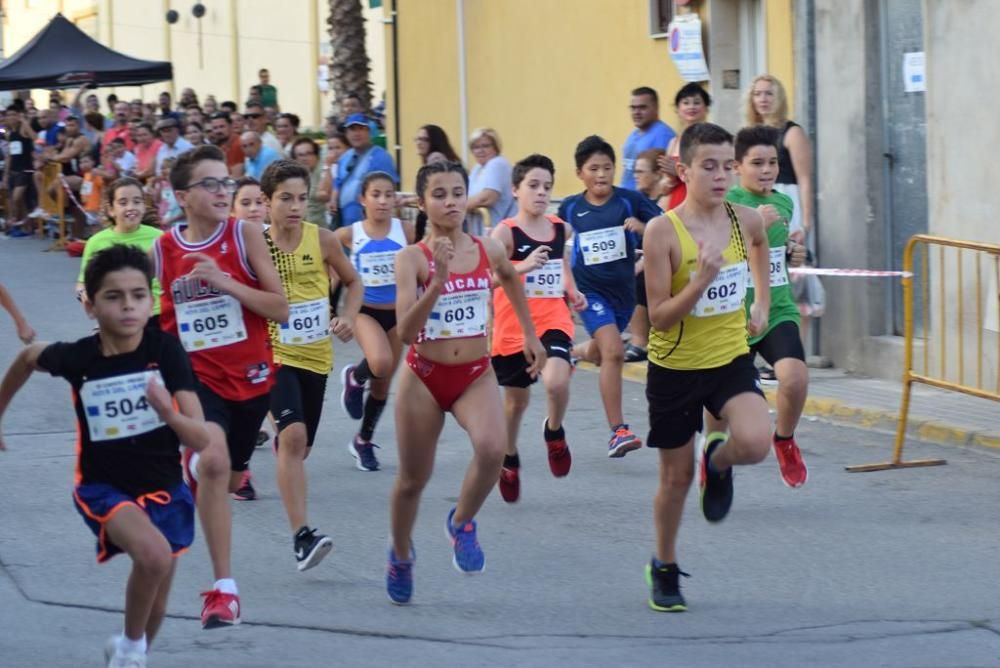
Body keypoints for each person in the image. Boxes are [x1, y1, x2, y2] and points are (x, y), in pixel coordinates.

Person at [0, 244, 210, 667]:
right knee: (152, 556)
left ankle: (132, 650)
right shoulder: (80, 357)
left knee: (157, 596)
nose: (128, 307)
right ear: (91, 306)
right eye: (114, 297)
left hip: (166, 489)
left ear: (151, 301)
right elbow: (26, 357)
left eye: (138, 295)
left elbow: (201, 437)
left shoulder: (165, 351)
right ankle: (132, 653)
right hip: (103, 488)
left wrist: (167, 412)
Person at [386, 160, 545, 605]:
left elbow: (511, 277)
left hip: (475, 373)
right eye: (440, 194)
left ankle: (462, 521)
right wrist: (436, 283)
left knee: (494, 449)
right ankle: (400, 554)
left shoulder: (487, 248)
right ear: (423, 203)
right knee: (412, 481)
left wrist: (530, 334)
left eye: (458, 191)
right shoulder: (410, 259)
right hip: (423, 376)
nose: (451, 201)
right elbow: (403, 332)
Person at [153, 144, 289, 629]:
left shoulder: (245, 234)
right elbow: (149, 309)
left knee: (228, 476)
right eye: (210, 184)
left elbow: (280, 308)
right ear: (183, 196)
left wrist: (226, 282)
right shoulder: (163, 248)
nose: (221, 191)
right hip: (193, 378)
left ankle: (202, 467)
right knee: (213, 461)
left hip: (251, 381)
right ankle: (223, 591)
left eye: (225, 183)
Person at [641, 122, 772, 612]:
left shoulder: (743, 220)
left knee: (757, 442)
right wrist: (699, 283)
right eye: (709, 166)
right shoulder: (663, 231)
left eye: (727, 166)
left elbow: (761, 244)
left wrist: (761, 299)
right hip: (674, 367)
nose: (721, 176)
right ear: (684, 169)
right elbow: (657, 315)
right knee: (673, 481)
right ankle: (664, 565)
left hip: (730, 358)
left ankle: (716, 464)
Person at [261, 159, 361, 569]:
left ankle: (279, 437)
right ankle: (303, 536)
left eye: (302, 198)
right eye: (285, 198)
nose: (295, 206)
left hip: (316, 356)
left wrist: (349, 317)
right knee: (295, 437)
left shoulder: (322, 240)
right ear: (267, 202)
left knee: (299, 449)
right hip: (272, 355)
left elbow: (353, 282)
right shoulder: (255, 243)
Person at [702, 125, 810, 487]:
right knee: (719, 409)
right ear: (737, 167)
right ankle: (713, 459)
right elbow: (714, 250)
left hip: (776, 308)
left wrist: (795, 253)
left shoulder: (783, 202)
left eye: (773, 163)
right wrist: (751, 226)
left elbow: (778, 255)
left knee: (794, 378)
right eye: (758, 163)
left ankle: (785, 439)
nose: (767, 170)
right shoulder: (725, 203)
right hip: (731, 316)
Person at [490, 154, 587, 503]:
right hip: (513, 326)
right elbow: (486, 280)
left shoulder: (560, 228)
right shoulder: (505, 234)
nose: (541, 192)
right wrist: (522, 266)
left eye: (547, 186)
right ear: (515, 190)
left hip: (553, 320)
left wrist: (571, 289)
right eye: (533, 185)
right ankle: (509, 456)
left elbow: (560, 266)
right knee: (515, 404)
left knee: (556, 380)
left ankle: (554, 431)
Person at [559, 135, 659, 457]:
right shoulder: (571, 207)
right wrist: (568, 286)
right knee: (614, 351)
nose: (602, 175)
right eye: (594, 169)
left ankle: (574, 353)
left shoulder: (629, 200)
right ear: (580, 173)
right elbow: (554, 248)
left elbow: (666, 226)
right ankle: (618, 431)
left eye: (607, 168)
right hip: (589, 293)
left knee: (604, 353)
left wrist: (642, 228)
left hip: (624, 295)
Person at [335, 171, 415, 471]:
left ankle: (363, 441)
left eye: (389, 195)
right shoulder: (349, 234)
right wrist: (333, 309)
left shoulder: (405, 230)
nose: (383, 201)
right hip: (365, 311)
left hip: (398, 314)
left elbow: (428, 253)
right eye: (376, 195)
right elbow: (326, 257)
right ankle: (355, 377)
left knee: (382, 387)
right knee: (379, 362)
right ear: (362, 199)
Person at [746, 74, 817, 346]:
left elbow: (805, 179)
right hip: (759, 206)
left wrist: (806, 224)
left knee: (797, 283)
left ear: (779, 98)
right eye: (757, 94)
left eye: (768, 93)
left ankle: (796, 350)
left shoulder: (792, 132)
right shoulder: (751, 133)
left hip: (789, 205)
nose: (762, 99)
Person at [76, 177, 164, 319]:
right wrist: (84, 295)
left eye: (137, 202)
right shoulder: (96, 242)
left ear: (143, 206)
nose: (131, 207)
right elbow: (83, 283)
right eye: (123, 203)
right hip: (115, 315)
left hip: (156, 313)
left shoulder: (160, 238)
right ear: (111, 210)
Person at [624, 147, 667, 364]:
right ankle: (634, 335)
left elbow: (668, 234)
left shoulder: (665, 199)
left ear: (658, 173)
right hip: (645, 257)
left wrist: (643, 229)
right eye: (635, 171)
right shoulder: (637, 200)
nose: (636, 176)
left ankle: (639, 342)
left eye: (641, 172)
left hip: (665, 258)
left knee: (638, 277)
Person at [334, 114, 399, 226]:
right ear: (346, 134)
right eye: (352, 129)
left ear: (370, 131)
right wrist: (333, 199)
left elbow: (389, 189)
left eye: (361, 129)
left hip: (369, 221)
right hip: (344, 220)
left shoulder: (381, 157)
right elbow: (337, 182)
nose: (356, 133)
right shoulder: (344, 157)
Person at [659, 83, 712, 211]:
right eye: (686, 103)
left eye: (697, 102)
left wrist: (678, 173)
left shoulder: (711, 139)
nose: (691, 107)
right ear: (677, 109)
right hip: (675, 207)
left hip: (700, 207)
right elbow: (664, 188)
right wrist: (669, 180)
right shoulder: (674, 142)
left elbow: (710, 176)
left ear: (706, 108)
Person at [620, 86, 675, 191]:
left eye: (642, 107)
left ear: (656, 108)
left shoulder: (663, 136)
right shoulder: (633, 135)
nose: (636, 112)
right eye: (633, 108)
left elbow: (664, 178)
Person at [466, 128, 515, 235]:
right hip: (480, 230)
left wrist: (458, 207)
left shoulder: (497, 164)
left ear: (495, 147)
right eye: (476, 147)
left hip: (498, 231)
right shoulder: (478, 168)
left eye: (485, 146)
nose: (480, 150)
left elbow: (487, 198)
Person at [2, 105, 37, 230]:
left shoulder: (23, 129)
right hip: (13, 170)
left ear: (18, 115)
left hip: (25, 169)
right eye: (9, 115)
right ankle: (26, 225)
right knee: (18, 200)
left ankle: (19, 221)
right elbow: (10, 155)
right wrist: (6, 175)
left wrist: (24, 121)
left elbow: (35, 138)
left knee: (17, 197)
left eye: (13, 115)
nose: (11, 118)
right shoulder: (9, 133)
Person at [291, 137, 330, 225]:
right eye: (300, 155)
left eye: (309, 154)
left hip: (324, 227)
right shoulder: (297, 176)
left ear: (316, 155)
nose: (304, 158)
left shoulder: (324, 171)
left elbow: (325, 195)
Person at [150, 158, 184, 228]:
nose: (163, 170)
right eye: (162, 168)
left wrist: (170, 220)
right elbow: (157, 201)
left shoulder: (179, 186)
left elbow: (185, 211)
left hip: (177, 225)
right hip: (165, 224)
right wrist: (159, 185)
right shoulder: (163, 184)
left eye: (167, 167)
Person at [208, 112, 245, 177]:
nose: (218, 131)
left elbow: (236, 177)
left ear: (231, 126)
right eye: (215, 128)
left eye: (222, 126)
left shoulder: (238, 144)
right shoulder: (219, 146)